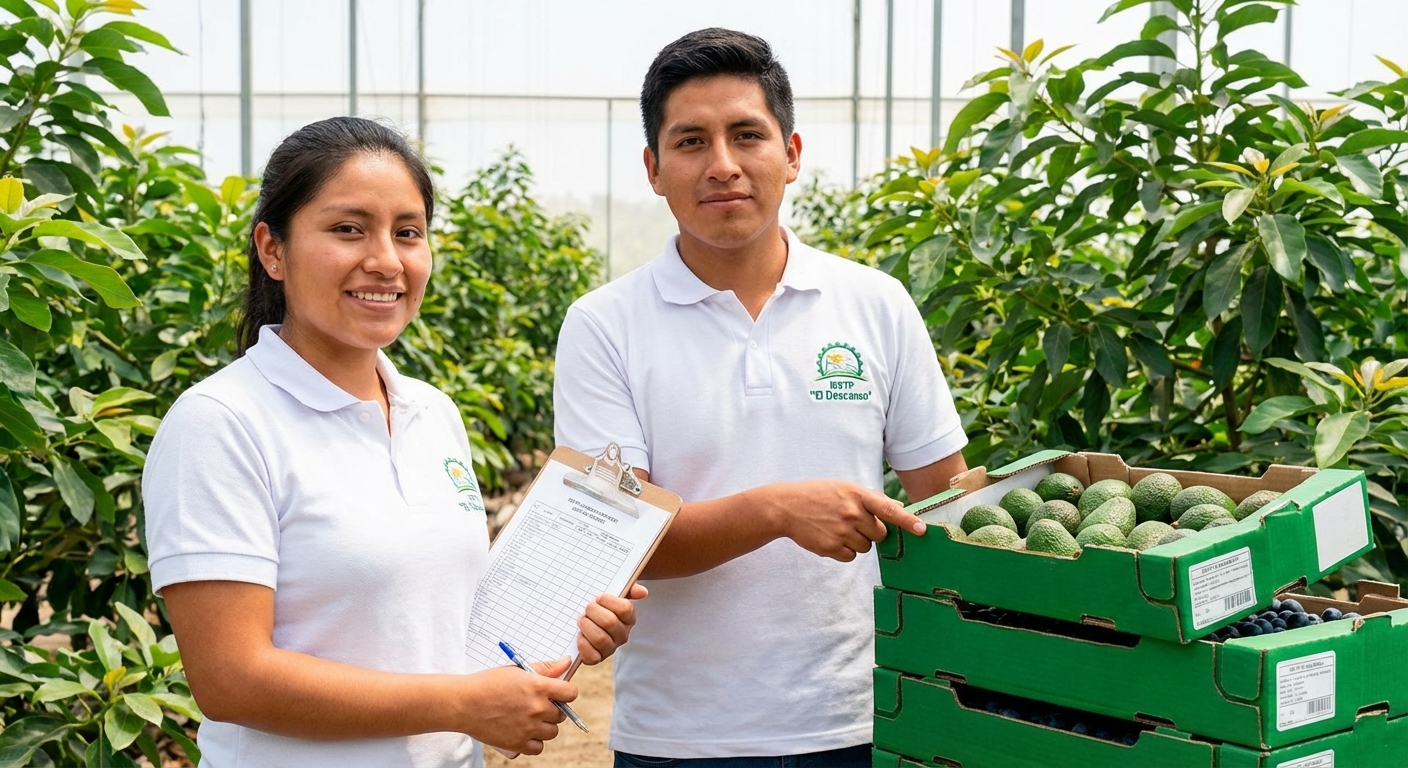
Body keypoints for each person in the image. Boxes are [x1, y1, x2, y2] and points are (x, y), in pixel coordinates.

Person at [142, 116, 643, 767]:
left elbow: (437, 621)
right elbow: (231, 679)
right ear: (272, 249)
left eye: (408, 232)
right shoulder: (221, 423)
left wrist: (560, 636)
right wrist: (459, 705)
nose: (385, 260)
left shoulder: (433, 414)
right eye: (348, 229)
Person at [553, 28, 968, 768]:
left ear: (792, 154)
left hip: (865, 715)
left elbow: (948, 496)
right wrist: (778, 510)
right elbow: (617, 540)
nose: (723, 164)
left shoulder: (874, 304)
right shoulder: (604, 326)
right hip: (681, 737)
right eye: (690, 142)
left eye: (747, 135)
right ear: (654, 169)